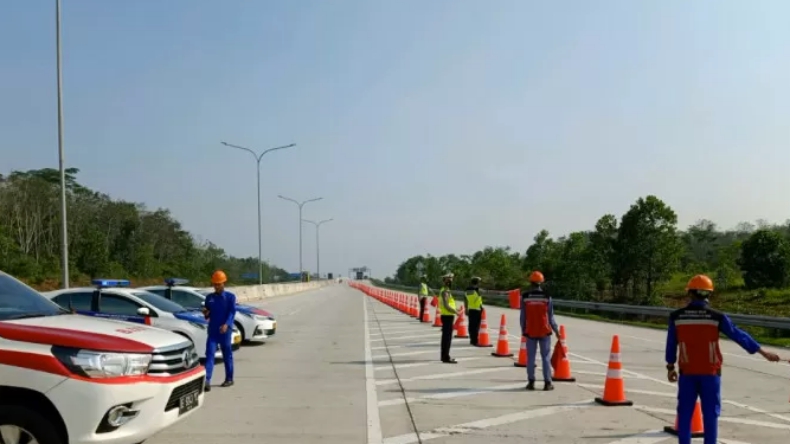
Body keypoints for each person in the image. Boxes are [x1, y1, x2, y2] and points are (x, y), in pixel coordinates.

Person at [665, 274, 780, 444]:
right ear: (708, 294)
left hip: (687, 373)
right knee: (710, 415)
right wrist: (763, 352)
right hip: (710, 374)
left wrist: (670, 366)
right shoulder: (717, 317)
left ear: (690, 293)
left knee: (684, 414)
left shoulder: (677, 316)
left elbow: (671, 343)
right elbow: (738, 335)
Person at [520, 270, 560, 391]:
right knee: (545, 357)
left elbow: (523, 316)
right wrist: (556, 330)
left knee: (530, 357)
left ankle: (531, 382)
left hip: (530, 331)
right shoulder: (547, 297)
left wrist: (523, 330)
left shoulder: (525, 297)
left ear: (531, 282)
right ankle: (547, 383)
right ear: (541, 283)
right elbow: (551, 316)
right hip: (544, 331)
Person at [202, 270, 237, 392]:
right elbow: (207, 315)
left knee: (227, 355)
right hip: (213, 331)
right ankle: (207, 380)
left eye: (219, 284)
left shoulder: (230, 297)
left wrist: (227, 325)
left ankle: (229, 378)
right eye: (215, 284)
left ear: (223, 283)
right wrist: (206, 313)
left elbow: (232, 313)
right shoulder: (209, 298)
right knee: (210, 355)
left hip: (225, 332)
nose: (216, 286)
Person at [438, 272, 459, 363]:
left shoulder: (446, 290)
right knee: (447, 339)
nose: (451, 281)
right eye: (450, 279)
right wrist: (456, 312)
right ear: (446, 280)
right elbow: (446, 305)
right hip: (447, 316)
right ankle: (446, 357)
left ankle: (445, 356)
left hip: (447, 316)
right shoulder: (445, 291)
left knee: (446, 338)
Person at [465, 277, 484, 346]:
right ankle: (475, 341)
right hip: (477, 309)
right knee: (476, 326)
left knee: (471, 325)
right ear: (478, 283)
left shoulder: (467, 290)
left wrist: (466, 308)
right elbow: (484, 292)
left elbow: (466, 300)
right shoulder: (478, 290)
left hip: (470, 309)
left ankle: (472, 339)